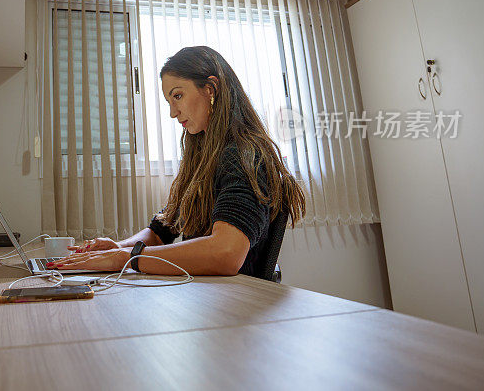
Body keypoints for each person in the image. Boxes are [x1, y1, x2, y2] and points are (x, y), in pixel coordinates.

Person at [49, 45, 305, 276]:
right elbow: (162, 231)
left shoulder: (244, 153)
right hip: (206, 296)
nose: (173, 112)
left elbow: (225, 253)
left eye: (178, 96)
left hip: (235, 303)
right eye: (169, 101)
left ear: (210, 88)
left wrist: (126, 258)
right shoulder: (205, 155)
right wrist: (119, 247)